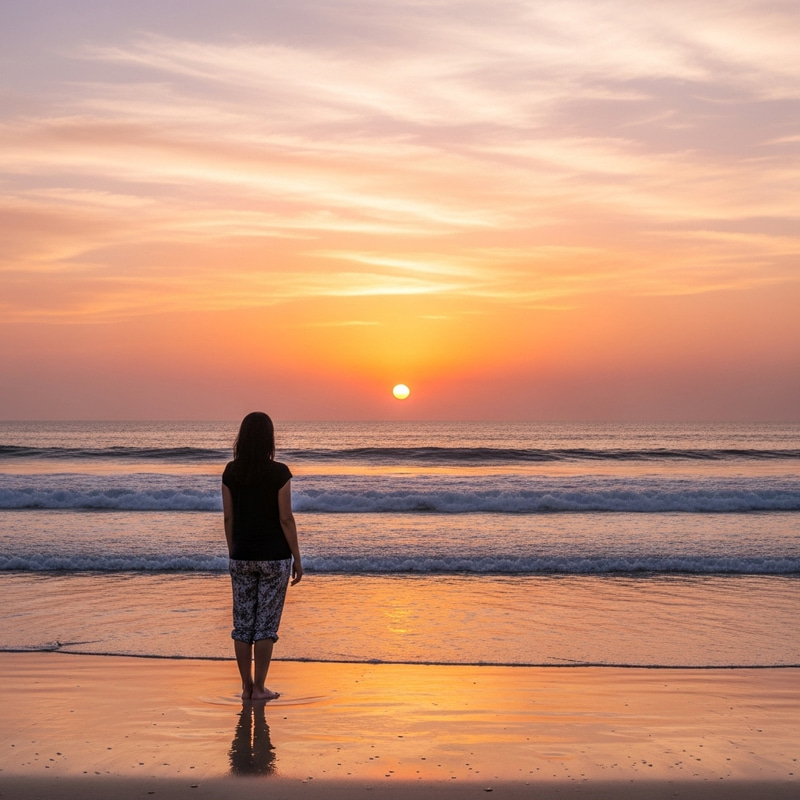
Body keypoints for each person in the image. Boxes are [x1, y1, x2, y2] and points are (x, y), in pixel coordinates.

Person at [222, 412, 303, 701]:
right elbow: (286, 519)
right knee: (266, 625)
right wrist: (297, 557)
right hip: (274, 558)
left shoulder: (231, 471)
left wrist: (235, 552)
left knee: (243, 625)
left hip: (241, 555)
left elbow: (229, 517)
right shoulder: (279, 472)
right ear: (269, 438)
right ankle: (260, 687)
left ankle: (246, 687)